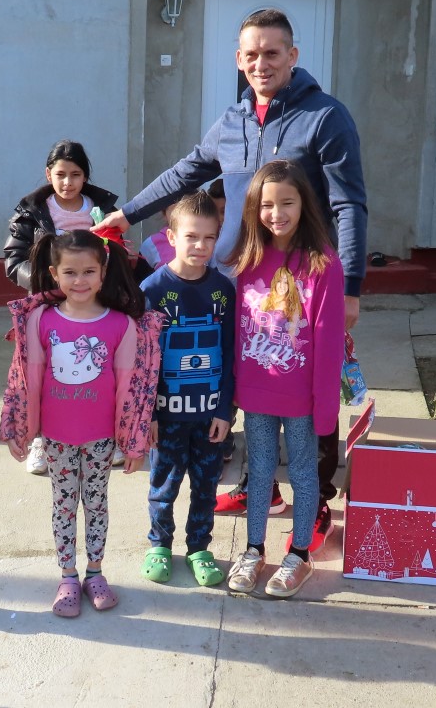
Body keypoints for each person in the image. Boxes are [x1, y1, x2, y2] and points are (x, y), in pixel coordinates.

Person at [93, 9, 365, 548]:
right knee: (243, 377)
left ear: (293, 55)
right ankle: (259, 486)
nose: (262, 63)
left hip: (303, 287)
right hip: (243, 279)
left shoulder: (325, 117)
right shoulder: (233, 120)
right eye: (252, 54)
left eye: (272, 53)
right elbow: (186, 171)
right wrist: (128, 213)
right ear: (239, 60)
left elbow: (348, 204)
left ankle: (315, 503)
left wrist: (351, 286)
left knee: (311, 383)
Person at [0, 230, 162, 617]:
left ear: (103, 272)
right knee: (63, 505)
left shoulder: (121, 325)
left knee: (96, 504)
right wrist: (19, 428)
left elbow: (132, 388)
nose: (80, 280)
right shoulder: (40, 320)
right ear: (54, 273)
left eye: (88, 271)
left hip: (101, 439)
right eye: (70, 272)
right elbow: (25, 379)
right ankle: (68, 577)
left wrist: (133, 442)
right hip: (57, 438)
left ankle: (95, 573)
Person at [224, 160, 344, 599]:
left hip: (302, 399)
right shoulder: (247, 259)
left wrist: (325, 407)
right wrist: (233, 390)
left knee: (303, 474)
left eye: (287, 203)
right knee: (258, 471)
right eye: (267, 205)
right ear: (254, 209)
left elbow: (328, 342)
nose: (276, 214)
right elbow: (238, 330)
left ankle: (299, 554)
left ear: (304, 204)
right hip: (256, 394)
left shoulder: (323, 264)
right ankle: (254, 550)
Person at [3, 140, 125, 473]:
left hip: (94, 301)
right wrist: (47, 282)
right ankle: (41, 439)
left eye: (75, 175)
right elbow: (13, 260)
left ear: (85, 176)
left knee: (100, 370)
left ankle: (107, 436)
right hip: (49, 302)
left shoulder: (102, 209)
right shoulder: (30, 211)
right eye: (60, 174)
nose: (68, 182)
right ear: (48, 174)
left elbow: (118, 251)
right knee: (44, 372)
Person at [137, 192, 235, 588]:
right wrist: (150, 414)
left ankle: (199, 548)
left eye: (209, 237)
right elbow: (144, 360)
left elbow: (230, 352)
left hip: (210, 416)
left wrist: (225, 410)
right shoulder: (153, 289)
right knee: (163, 484)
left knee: (206, 486)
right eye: (192, 236)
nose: (200, 246)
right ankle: (159, 544)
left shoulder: (223, 290)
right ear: (172, 237)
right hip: (167, 417)